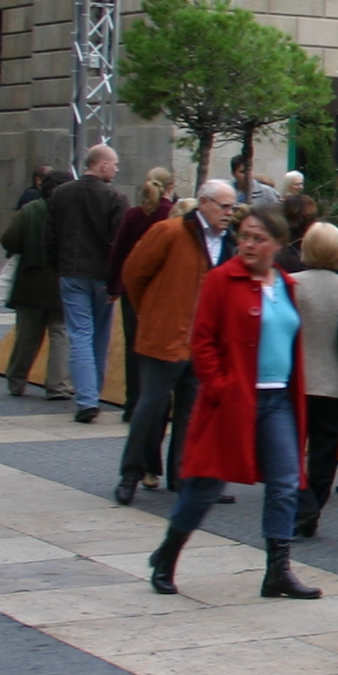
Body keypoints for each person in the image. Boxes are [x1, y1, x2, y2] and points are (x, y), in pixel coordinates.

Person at [143, 204, 324, 603]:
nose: (248, 244)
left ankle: (278, 570)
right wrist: (222, 385)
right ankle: (167, 556)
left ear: (278, 244)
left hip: (277, 398)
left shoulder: (285, 284)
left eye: (259, 238)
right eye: (244, 236)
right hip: (233, 399)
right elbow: (203, 341)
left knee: (284, 482)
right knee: (207, 483)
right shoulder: (221, 281)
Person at [115, 180, 233, 503]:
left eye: (232, 207)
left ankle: (184, 475)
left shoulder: (227, 242)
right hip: (166, 337)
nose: (229, 213)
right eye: (224, 206)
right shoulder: (170, 233)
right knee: (150, 407)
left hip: (203, 342)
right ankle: (132, 473)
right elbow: (134, 274)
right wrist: (153, 313)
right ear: (204, 204)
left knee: (192, 411)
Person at [288, 223, 338, 533]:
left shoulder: (289, 284)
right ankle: (314, 506)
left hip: (297, 379)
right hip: (336, 381)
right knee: (325, 451)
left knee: (290, 448)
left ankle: (300, 502)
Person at [50, 144, 127, 423]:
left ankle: (87, 398)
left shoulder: (60, 194)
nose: (117, 169)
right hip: (102, 276)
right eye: (115, 163)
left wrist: (58, 266)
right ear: (102, 164)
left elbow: (51, 235)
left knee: (79, 334)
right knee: (99, 337)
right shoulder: (115, 198)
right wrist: (116, 281)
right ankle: (93, 393)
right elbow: (119, 244)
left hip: (72, 272)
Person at [1, 170, 71, 402]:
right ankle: (57, 385)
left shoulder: (29, 210)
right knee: (60, 333)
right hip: (63, 280)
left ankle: (17, 381)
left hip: (30, 280)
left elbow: (9, 240)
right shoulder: (71, 214)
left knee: (27, 335)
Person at [108, 169, 178, 375]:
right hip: (164, 289)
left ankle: (133, 401)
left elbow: (119, 252)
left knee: (133, 345)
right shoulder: (173, 215)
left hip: (132, 288)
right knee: (161, 346)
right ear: (171, 187)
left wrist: (113, 286)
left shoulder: (134, 214)